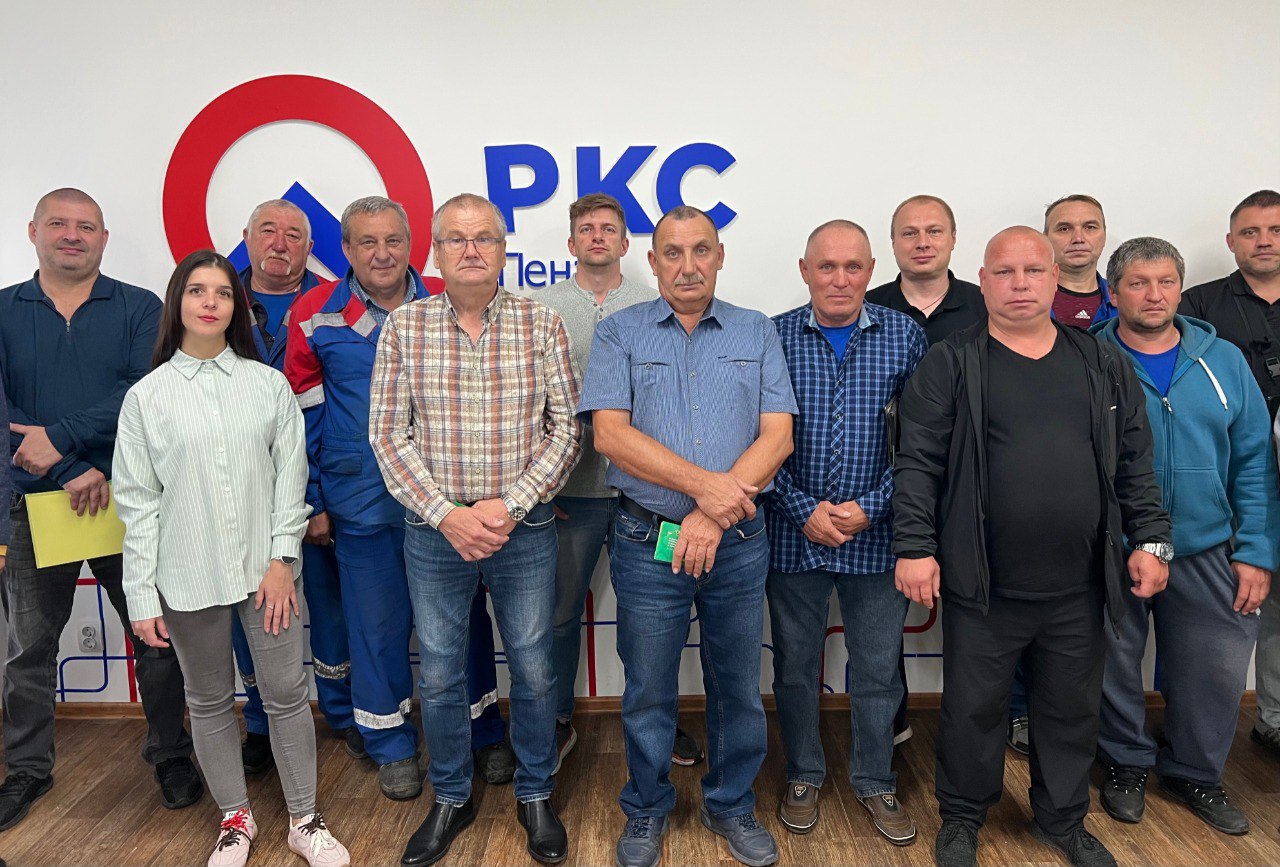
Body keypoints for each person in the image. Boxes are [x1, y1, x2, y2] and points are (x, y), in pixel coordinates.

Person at [893, 226, 1171, 867]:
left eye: (1033, 271)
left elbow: (1135, 460)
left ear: (1055, 280)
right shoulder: (951, 362)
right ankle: (962, 817)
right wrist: (914, 545)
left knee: (1070, 711)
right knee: (973, 711)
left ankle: (1062, 821)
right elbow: (917, 463)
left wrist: (1152, 539)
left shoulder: (1101, 361)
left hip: (1080, 583)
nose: (1020, 284)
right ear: (982, 281)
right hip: (983, 584)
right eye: (1005, 272)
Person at [116, 250, 349, 867]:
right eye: (198, 291)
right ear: (179, 302)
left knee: (286, 693)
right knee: (209, 699)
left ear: (237, 308)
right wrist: (141, 595)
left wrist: (282, 561)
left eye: (222, 292)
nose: (211, 302)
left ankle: (304, 819)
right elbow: (137, 503)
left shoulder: (266, 386)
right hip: (184, 575)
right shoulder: (146, 398)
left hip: (265, 573)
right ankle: (235, 820)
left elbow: (289, 481)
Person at [580, 205, 797, 867]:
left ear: (720, 255)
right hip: (648, 541)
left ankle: (730, 804)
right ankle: (647, 807)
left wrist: (710, 513)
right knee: (649, 686)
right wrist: (709, 490)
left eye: (701, 250)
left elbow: (778, 436)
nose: (687, 265)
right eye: (672, 253)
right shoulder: (619, 333)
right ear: (652, 262)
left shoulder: (756, 329)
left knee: (737, 683)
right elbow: (610, 435)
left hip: (737, 542)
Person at [370, 193, 580, 866]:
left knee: (534, 666)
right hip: (435, 533)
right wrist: (449, 516)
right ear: (435, 252)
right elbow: (388, 436)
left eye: (483, 238)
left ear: (502, 249)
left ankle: (536, 791)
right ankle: (452, 795)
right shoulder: (404, 328)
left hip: (524, 529)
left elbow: (567, 431)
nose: (470, 250)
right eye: (456, 239)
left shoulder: (542, 323)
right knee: (438, 672)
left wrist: (509, 506)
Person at [286, 196, 514, 801]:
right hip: (362, 497)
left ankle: (481, 728)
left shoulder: (448, 296)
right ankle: (390, 742)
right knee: (376, 626)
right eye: (367, 242)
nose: (382, 254)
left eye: (393, 240)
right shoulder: (315, 313)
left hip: (448, 499)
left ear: (413, 244)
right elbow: (302, 416)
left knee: (463, 621)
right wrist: (313, 499)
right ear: (346, 249)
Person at [0, 188, 198, 831]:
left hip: (128, 501)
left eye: (86, 226)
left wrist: (62, 440)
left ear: (104, 238)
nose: (72, 235)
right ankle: (27, 768)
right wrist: (66, 467)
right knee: (28, 648)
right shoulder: (2, 309)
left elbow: (144, 393)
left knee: (155, 638)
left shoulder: (140, 308)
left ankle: (171, 753)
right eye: (59, 223)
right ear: (33, 231)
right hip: (35, 506)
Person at [1092, 237, 1280, 836]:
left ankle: (1195, 772)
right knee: (1110, 664)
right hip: (1114, 545)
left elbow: (1254, 461)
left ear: (1180, 286)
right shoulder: (1086, 356)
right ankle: (1124, 763)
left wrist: (1256, 552)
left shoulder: (1224, 360)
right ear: (1114, 291)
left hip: (1207, 544)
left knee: (1215, 670)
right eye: (1138, 283)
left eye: (1166, 282)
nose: (1154, 295)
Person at [768, 220, 927, 845]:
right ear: (804, 270)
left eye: (853, 267)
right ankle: (803, 773)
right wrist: (801, 507)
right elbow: (754, 436)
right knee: (795, 667)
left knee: (880, 671)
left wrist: (872, 507)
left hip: (878, 537)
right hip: (793, 534)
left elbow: (922, 442)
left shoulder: (905, 336)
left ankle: (875, 779)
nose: (840, 279)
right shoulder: (772, 336)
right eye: (826, 267)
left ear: (871, 270)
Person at [536, 193, 704, 773]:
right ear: (571, 242)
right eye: (587, 229)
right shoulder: (543, 308)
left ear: (627, 244)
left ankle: (659, 719)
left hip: (646, 498)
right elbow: (527, 404)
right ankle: (557, 719)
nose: (598, 237)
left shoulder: (655, 305)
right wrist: (542, 488)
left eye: (608, 229)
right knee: (559, 615)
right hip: (571, 495)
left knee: (650, 619)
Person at [230, 199, 360, 775]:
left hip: (316, 481)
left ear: (311, 246)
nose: (279, 243)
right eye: (268, 231)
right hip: (239, 488)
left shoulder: (335, 305)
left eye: (293, 234)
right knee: (251, 611)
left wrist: (316, 499)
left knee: (330, 608)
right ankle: (260, 723)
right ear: (246, 238)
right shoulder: (214, 301)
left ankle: (342, 714)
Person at [866, 193, 985, 748]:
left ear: (953, 239)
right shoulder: (867, 305)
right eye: (909, 233)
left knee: (981, 618)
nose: (922, 242)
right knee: (881, 621)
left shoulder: (986, 305)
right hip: (892, 487)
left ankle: (982, 724)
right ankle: (892, 719)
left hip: (974, 485)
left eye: (934, 231)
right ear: (892, 244)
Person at [1045, 194, 1116, 328]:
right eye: (1064, 229)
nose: (1078, 238)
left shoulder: (1126, 299)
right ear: (1045, 238)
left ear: (1104, 236)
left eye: (1090, 227)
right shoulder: (1023, 298)